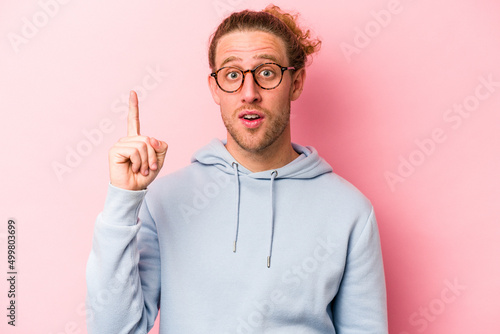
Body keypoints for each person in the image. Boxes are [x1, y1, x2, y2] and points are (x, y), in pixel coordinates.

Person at [86, 5, 388, 333]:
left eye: (267, 73)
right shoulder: (165, 200)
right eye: (232, 75)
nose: (249, 93)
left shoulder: (350, 211)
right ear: (215, 88)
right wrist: (122, 202)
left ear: (296, 83)